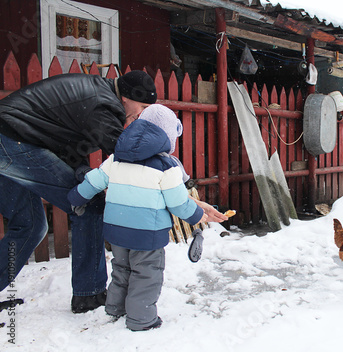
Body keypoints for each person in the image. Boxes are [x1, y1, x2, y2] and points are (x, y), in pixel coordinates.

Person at [0, 70, 226, 313]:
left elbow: (70, 145)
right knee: (90, 206)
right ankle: (89, 294)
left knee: (30, 225)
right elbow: (136, 160)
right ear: (126, 98)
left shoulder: (98, 93)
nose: (141, 116)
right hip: (14, 141)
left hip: (10, 136)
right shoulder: (104, 107)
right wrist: (189, 200)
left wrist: (82, 173)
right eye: (141, 108)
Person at [68, 104, 207, 331]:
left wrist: (76, 197)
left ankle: (115, 308)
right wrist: (197, 215)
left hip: (116, 231)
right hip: (147, 234)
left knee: (121, 270)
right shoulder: (166, 166)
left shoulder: (116, 158)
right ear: (169, 136)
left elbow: (94, 181)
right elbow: (179, 203)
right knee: (146, 275)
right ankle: (142, 319)